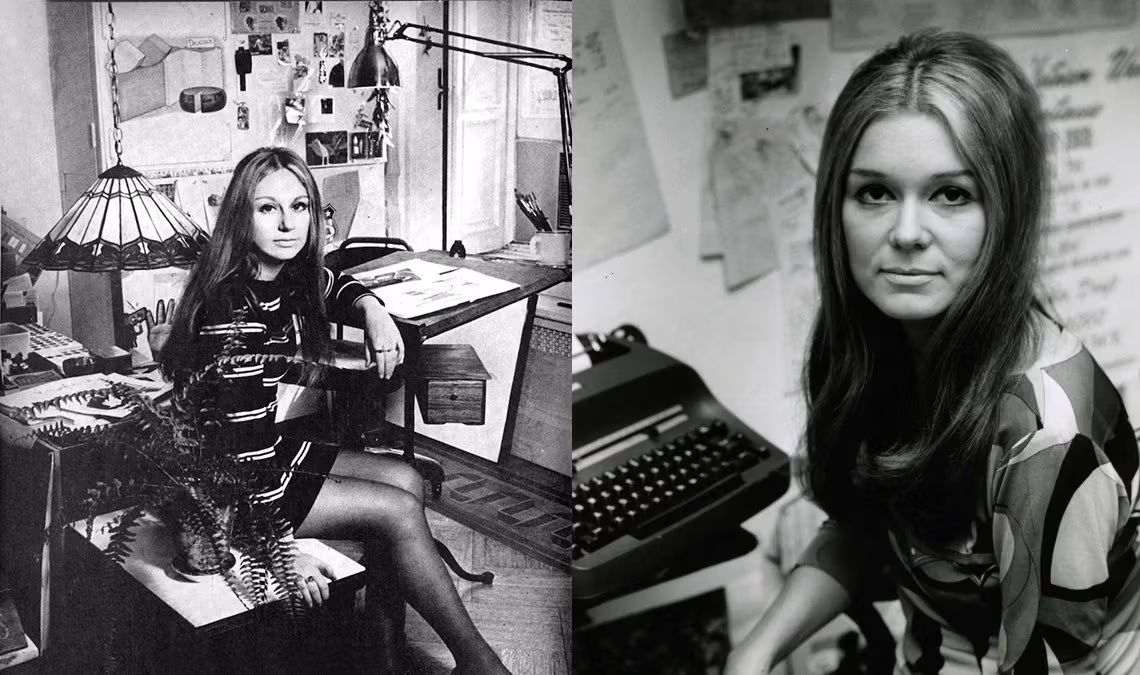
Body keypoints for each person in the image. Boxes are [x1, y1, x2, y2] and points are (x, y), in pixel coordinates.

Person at [726, 30, 1139, 674]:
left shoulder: (1047, 441)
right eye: (876, 193)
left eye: (952, 194)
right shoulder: (887, 342)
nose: (908, 234)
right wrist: (754, 651)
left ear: (1006, 213)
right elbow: (869, 529)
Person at [160, 146, 510, 675]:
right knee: (396, 510)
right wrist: (284, 553)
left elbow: (332, 283)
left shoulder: (280, 275)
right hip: (229, 488)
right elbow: (243, 450)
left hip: (263, 454)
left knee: (408, 481)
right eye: (267, 208)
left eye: (299, 207)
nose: (287, 223)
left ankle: (383, 649)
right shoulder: (233, 310)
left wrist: (373, 311)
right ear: (241, 214)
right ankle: (479, 663)